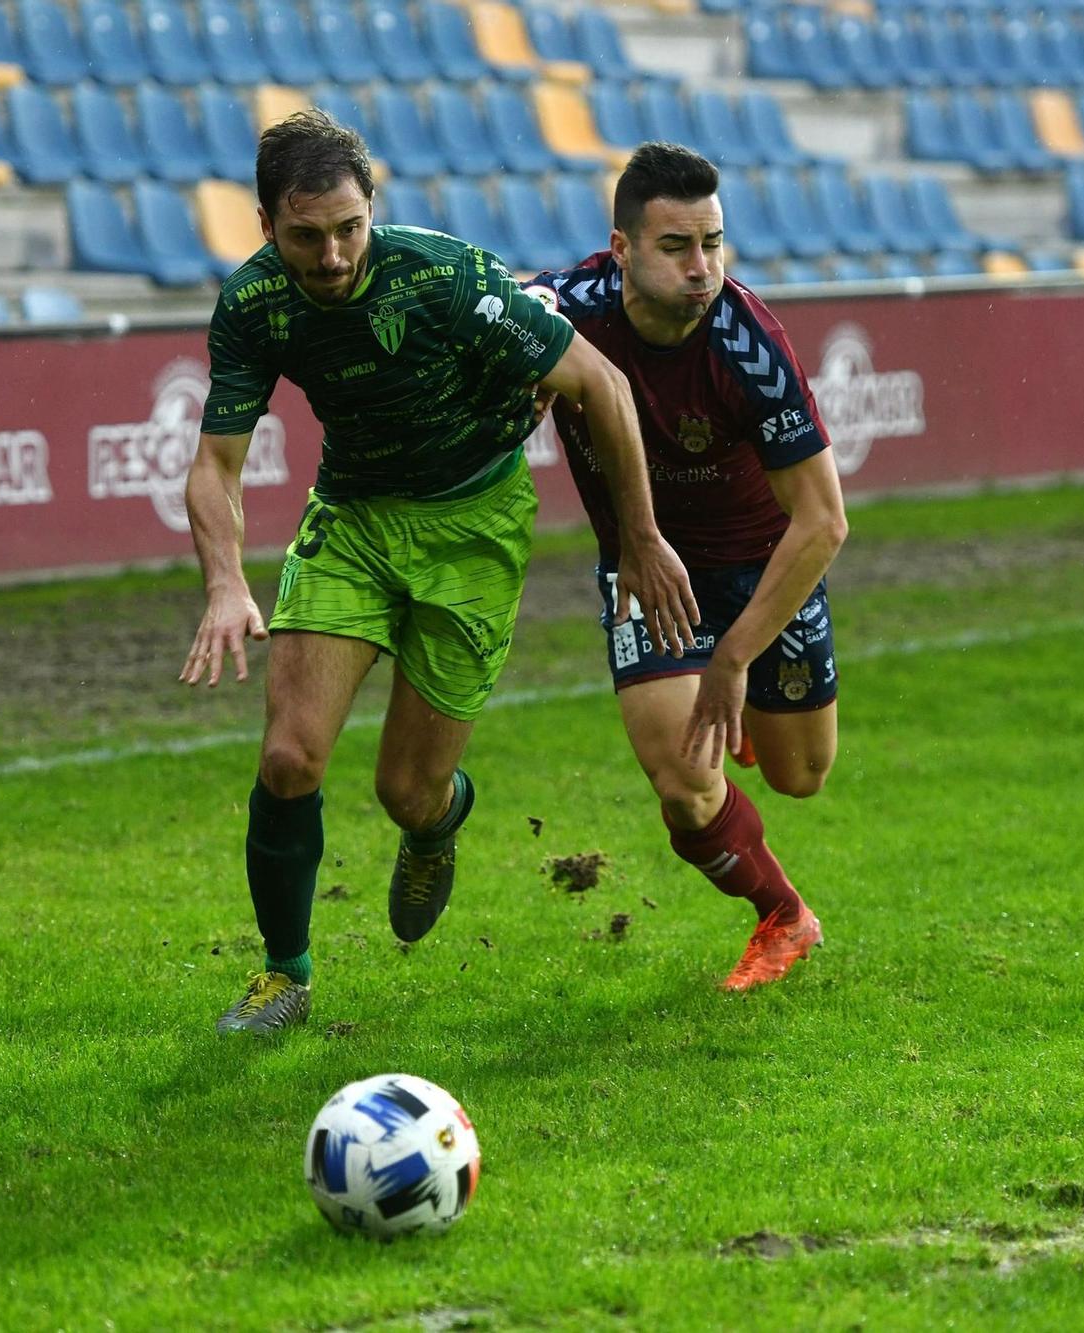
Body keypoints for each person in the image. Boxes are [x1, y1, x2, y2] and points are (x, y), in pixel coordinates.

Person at [183, 111, 698, 1034]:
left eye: (349, 227)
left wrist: (639, 539)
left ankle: (438, 822)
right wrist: (225, 580)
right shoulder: (254, 304)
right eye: (306, 235)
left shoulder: (442, 275)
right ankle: (284, 978)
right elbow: (217, 462)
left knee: (405, 791)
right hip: (354, 518)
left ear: (372, 209)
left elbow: (604, 387)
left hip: (475, 524)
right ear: (265, 227)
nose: (334, 255)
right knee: (289, 758)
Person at [527, 142, 848, 992]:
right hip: (646, 571)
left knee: (800, 775)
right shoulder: (567, 305)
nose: (701, 267)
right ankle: (785, 915)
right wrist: (511, 371)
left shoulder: (753, 347)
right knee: (684, 781)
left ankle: (730, 688)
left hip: (759, 566)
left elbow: (823, 521)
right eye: (676, 247)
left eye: (712, 243)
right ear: (622, 248)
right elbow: (496, 312)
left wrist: (733, 657)